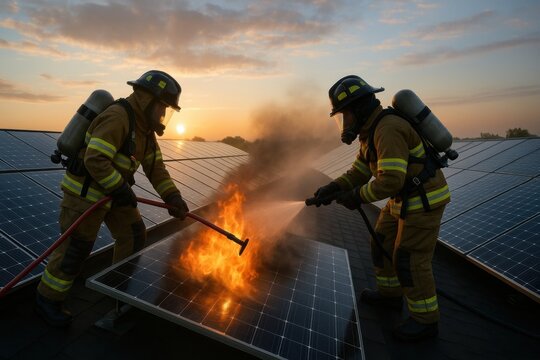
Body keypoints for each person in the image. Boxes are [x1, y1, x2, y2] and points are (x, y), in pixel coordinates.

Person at [35, 70, 190, 327]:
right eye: (163, 107)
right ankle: (47, 299)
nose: (163, 115)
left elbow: (156, 168)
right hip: (85, 195)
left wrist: (173, 196)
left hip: (113, 193)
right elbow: (94, 158)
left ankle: (118, 289)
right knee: (76, 249)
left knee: (134, 234)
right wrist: (119, 188)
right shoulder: (118, 117)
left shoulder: (144, 131)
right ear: (146, 99)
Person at [312, 75, 450, 341]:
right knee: (382, 242)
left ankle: (425, 321)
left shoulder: (387, 129)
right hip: (404, 199)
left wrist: (355, 197)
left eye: (345, 114)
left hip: (424, 201)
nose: (344, 122)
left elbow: (390, 180)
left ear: (360, 107)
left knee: (410, 259)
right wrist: (334, 188)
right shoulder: (371, 132)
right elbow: (360, 171)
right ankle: (390, 297)